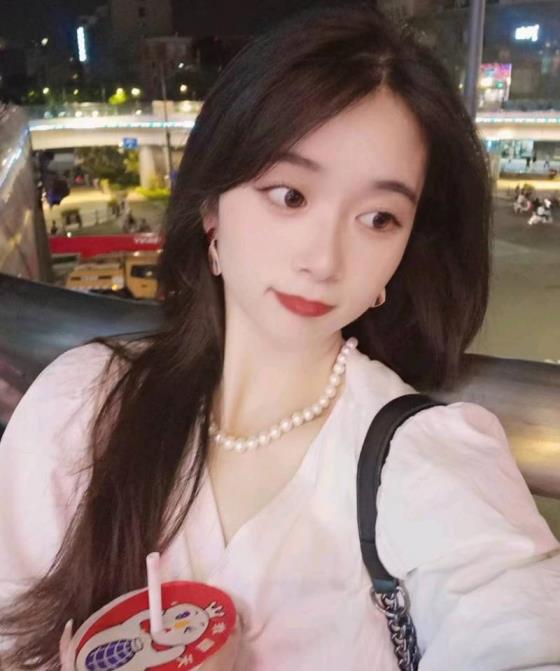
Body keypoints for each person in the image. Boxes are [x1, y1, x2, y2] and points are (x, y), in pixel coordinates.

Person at [1, 6, 559, 671]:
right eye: (290, 196)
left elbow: (512, 623)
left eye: (379, 218)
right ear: (212, 209)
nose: (324, 260)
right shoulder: (82, 409)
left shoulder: (423, 462)